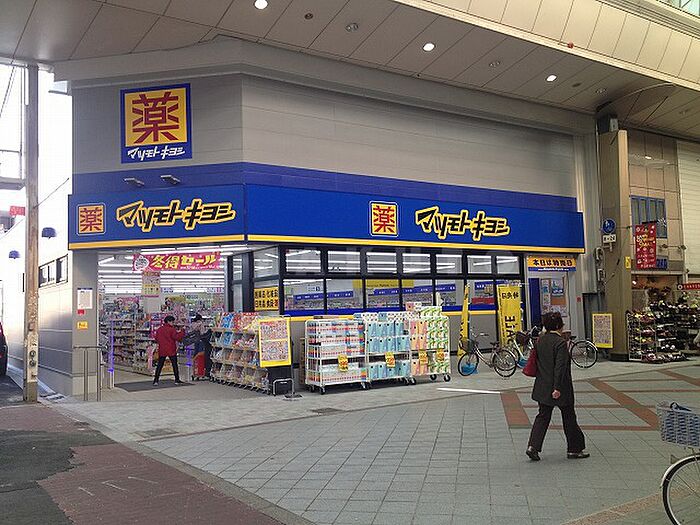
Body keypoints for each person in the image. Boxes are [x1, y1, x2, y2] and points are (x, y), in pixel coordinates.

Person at [526, 311, 589, 461]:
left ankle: (532, 447)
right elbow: (560, 367)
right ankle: (574, 449)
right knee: (569, 416)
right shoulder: (560, 343)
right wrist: (557, 388)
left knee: (542, 416)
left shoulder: (540, 341)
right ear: (558, 325)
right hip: (560, 387)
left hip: (542, 385)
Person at [153, 315, 185, 386]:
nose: (173, 323)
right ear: (168, 321)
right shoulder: (171, 329)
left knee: (160, 365)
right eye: (172, 322)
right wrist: (182, 331)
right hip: (171, 349)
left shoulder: (159, 329)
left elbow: (156, 339)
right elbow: (177, 337)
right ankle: (177, 380)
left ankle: (156, 380)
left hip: (162, 349)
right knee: (174, 364)